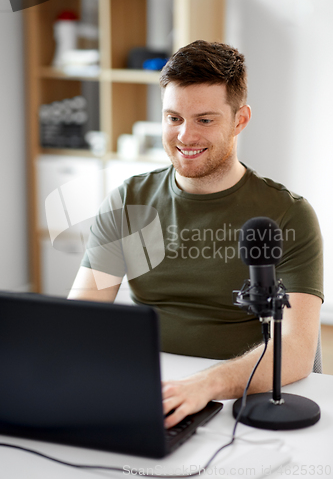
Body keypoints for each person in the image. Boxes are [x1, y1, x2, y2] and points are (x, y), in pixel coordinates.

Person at [68, 40, 323, 429]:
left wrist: (207, 384)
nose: (185, 136)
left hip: (239, 397)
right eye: (173, 118)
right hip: (151, 389)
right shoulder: (129, 201)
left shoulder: (288, 214)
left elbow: (298, 348)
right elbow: (81, 318)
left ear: (240, 120)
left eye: (205, 120)